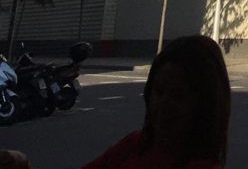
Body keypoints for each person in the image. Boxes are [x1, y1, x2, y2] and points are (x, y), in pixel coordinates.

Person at [81, 35, 230, 168]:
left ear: (204, 105)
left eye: (177, 95)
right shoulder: (135, 144)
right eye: (159, 91)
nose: (163, 104)